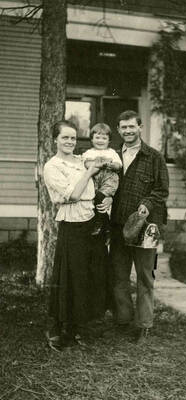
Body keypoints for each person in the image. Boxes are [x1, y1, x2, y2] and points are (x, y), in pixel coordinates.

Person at [43, 120, 111, 351]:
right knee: (70, 276)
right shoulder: (53, 166)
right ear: (55, 140)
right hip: (72, 223)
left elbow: (101, 182)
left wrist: (107, 198)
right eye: (65, 138)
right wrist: (90, 172)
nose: (70, 142)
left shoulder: (82, 160)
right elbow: (72, 194)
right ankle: (61, 328)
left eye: (73, 138)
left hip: (92, 219)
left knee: (89, 275)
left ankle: (81, 326)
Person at [110, 110, 169, 344]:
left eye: (131, 127)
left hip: (146, 227)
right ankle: (123, 321)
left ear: (140, 127)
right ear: (118, 130)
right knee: (118, 276)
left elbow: (162, 190)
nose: (127, 131)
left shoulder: (154, 157)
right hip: (117, 226)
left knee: (145, 276)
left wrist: (146, 204)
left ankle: (144, 326)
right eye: (123, 127)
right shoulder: (113, 157)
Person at [83, 123, 122, 241]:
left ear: (109, 140)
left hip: (108, 180)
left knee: (100, 197)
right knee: (95, 200)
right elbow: (86, 163)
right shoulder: (89, 153)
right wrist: (98, 163)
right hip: (94, 181)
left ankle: (102, 223)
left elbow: (119, 165)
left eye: (104, 138)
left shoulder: (111, 152)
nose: (100, 140)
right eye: (97, 137)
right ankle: (104, 223)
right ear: (92, 139)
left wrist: (111, 165)